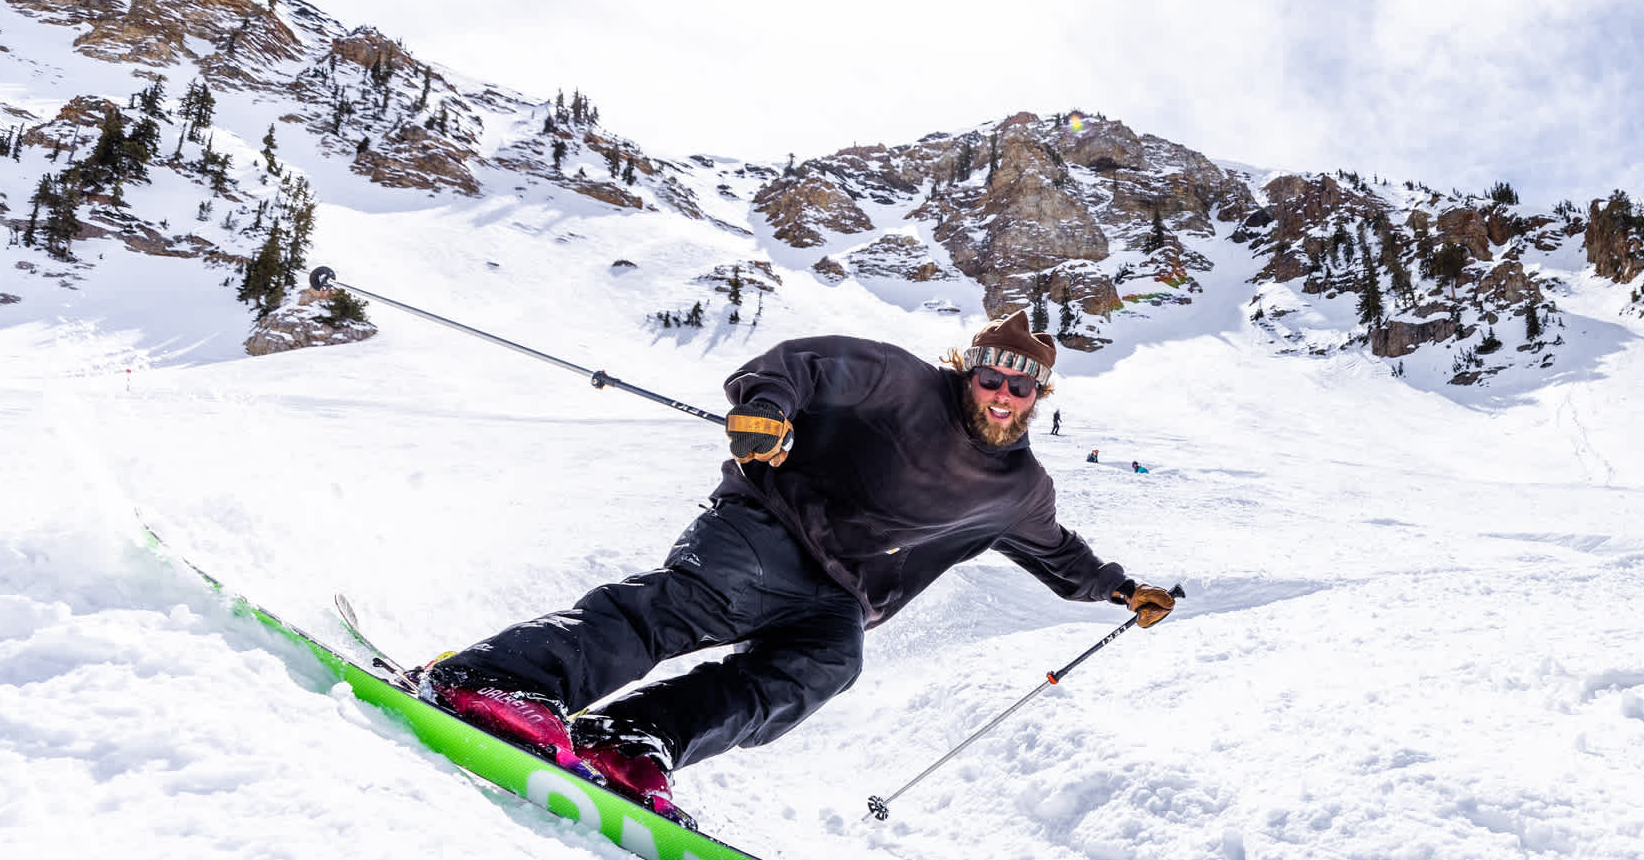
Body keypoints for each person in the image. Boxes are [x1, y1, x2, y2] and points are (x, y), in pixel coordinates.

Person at [420, 312, 1175, 819]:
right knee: (702, 602)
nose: (1002, 397)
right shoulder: (904, 384)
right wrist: (766, 409)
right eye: (991, 379)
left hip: (840, 594)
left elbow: (1058, 551)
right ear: (968, 370)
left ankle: (628, 738)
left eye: (1021, 387)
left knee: (826, 665)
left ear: (1038, 395)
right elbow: (801, 368)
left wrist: (1118, 589)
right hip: (771, 522)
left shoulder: (1019, 489)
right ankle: (496, 678)